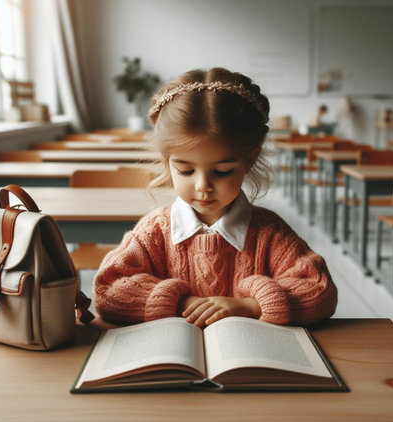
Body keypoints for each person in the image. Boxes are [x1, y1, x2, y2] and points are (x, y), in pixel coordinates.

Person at [93, 67, 337, 327]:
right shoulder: (154, 232)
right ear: (167, 162)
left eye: (222, 172)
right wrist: (179, 302)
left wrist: (251, 305)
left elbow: (319, 291)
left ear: (251, 158)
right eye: (185, 170)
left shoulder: (270, 233)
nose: (203, 186)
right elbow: (108, 290)